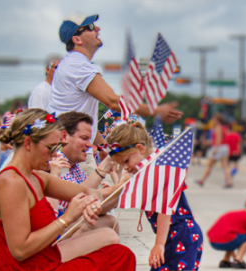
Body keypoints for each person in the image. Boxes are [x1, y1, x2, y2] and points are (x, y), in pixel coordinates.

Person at [0, 109, 197, 271]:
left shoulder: (36, 177)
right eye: (50, 148)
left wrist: (113, 191)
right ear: (28, 143)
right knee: (116, 261)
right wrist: (66, 218)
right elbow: (20, 249)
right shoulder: (11, 182)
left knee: (120, 257)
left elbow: (91, 193)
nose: (54, 155)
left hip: (45, 265)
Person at [105, 123, 204, 271]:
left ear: (140, 148)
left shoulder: (159, 170)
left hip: (178, 235)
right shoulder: (151, 168)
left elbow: (164, 210)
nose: (127, 168)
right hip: (184, 234)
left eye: (127, 163)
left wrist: (159, 244)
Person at [48, 14, 182, 174]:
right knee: (91, 196)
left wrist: (103, 145)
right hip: (68, 152)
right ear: (77, 39)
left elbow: (82, 116)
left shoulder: (70, 63)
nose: (98, 29)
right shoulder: (79, 66)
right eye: (91, 27)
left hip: (66, 149)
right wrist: (155, 111)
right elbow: (112, 101)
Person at [48, 111, 124, 231]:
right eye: (84, 138)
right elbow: (78, 200)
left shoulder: (73, 166)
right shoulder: (56, 161)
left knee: (109, 221)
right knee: (108, 224)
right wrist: (106, 166)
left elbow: (86, 194)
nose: (89, 144)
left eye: (90, 139)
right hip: (55, 236)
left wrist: (111, 191)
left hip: (61, 232)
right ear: (64, 136)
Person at [207, 198, 246, 269]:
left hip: (212, 241)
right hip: (225, 241)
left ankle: (226, 260)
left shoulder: (233, 214)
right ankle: (239, 260)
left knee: (233, 236)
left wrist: (234, 256)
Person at [195, 116, 232, 188]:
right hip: (224, 147)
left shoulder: (218, 127)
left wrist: (216, 148)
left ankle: (202, 180)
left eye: (213, 119)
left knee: (209, 165)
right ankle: (229, 181)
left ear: (217, 119)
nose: (212, 120)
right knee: (225, 166)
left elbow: (219, 138)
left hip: (218, 147)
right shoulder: (223, 127)